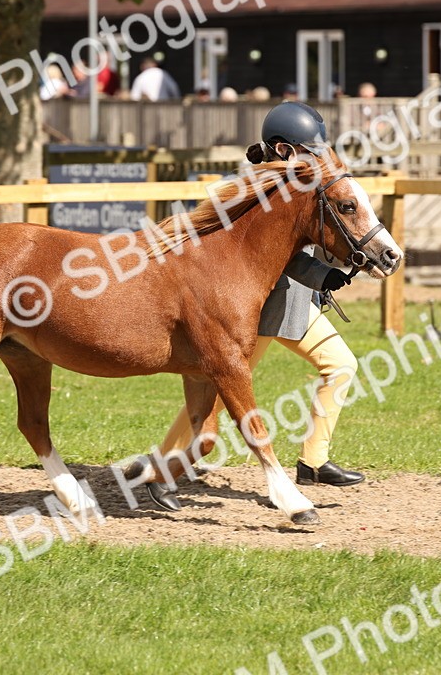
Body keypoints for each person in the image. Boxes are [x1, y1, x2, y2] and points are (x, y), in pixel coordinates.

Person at [136, 101, 364, 512]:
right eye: (310, 150)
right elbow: (274, 251)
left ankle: (313, 461)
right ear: (284, 150)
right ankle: (162, 466)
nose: (318, 158)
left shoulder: (305, 185)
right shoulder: (260, 188)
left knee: (342, 365)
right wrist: (322, 275)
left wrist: (335, 268)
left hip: (295, 305)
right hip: (251, 313)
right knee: (222, 391)